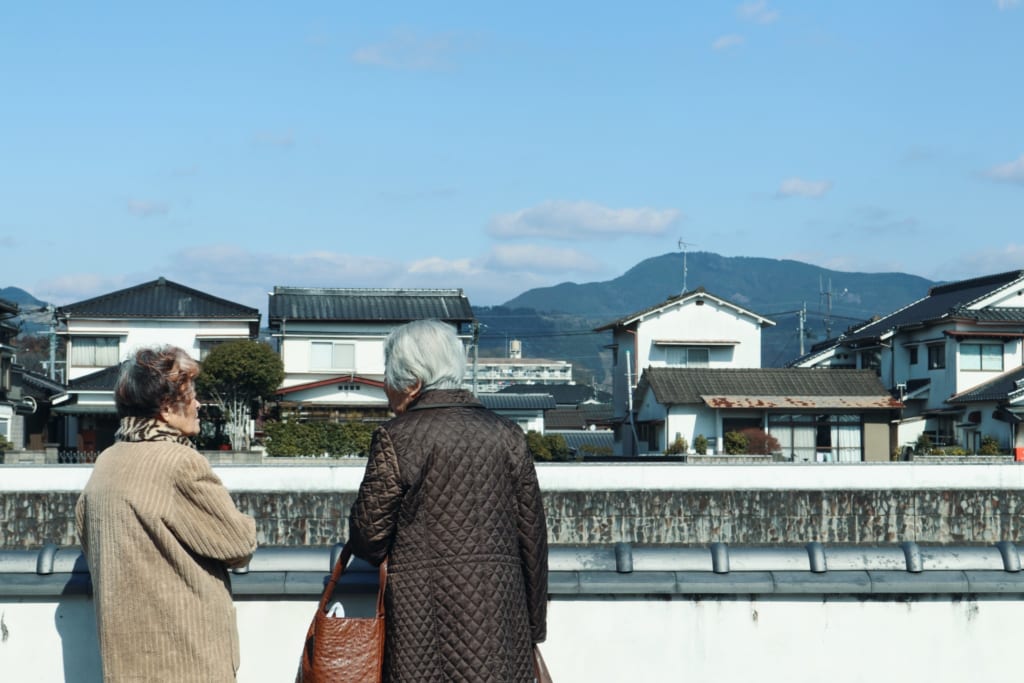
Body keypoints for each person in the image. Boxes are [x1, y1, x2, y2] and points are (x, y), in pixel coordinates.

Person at [348, 319, 549, 682]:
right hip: (504, 629)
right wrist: (532, 629)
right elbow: (532, 540)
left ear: (412, 382)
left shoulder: (396, 438)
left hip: (422, 629)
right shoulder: (509, 435)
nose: (384, 387)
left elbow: (368, 539)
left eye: (388, 376)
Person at [75, 345, 257, 682]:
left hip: (124, 656)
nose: (199, 404)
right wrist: (247, 521)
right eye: (191, 396)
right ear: (166, 407)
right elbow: (238, 545)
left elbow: (86, 534)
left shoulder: (108, 460)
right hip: (186, 655)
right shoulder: (180, 462)